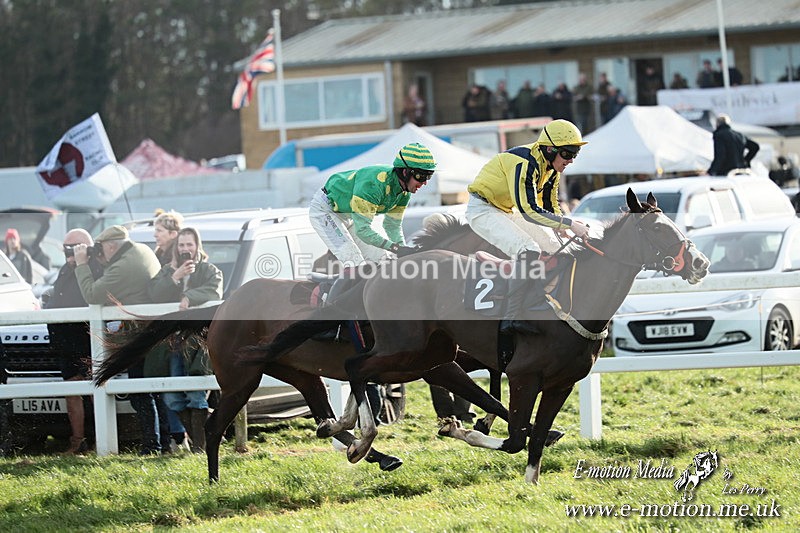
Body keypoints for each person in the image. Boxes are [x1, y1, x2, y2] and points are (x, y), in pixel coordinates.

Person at [465, 119, 590, 335]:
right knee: (529, 250)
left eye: (575, 154)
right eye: (568, 153)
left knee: (555, 247)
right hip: (482, 210)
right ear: (550, 149)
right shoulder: (525, 163)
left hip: (505, 210)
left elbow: (551, 204)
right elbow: (529, 211)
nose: (571, 160)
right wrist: (569, 223)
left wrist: (562, 226)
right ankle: (511, 318)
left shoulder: (551, 168)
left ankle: (544, 302)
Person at [73, 225, 163, 454]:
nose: (100, 253)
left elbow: (92, 295)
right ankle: (164, 441)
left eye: (102, 248)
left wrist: (82, 264)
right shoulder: (141, 250)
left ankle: (152, 445)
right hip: (151, 333)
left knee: (140, 393)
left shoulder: (123, 266)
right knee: (152, 390)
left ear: (111, 246)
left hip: (137, 336)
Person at [147, 227, 223, 452]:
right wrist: (174, 277)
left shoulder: (209, 270)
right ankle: (194, 440)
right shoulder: (167, 271)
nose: (185, 249)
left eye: (189, 244)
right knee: (172, 397)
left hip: (197, 342)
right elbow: (153, 294)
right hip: (170, 342)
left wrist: (189, 296)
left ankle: (201, 446)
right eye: (181, 245)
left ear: (197, 246)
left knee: (196, 394)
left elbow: (214, 291)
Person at [309, 142, 435, 269]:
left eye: (428, 177)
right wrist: (396, 248)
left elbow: (392, 225)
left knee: (383, 260)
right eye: (421, 176)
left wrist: (404, 251)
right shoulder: (373, 186)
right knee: (355, 263)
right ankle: (325, 289)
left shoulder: (404, 193)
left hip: (351, 215)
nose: (424, 182)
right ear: (405, 172)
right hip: (325, 211)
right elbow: (363, 231)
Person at [45, 229, 104, 455]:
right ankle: (77, 442)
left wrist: (81, 262)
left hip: (86, 340)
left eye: (74, 248)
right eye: (66, 248)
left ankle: (102, 439)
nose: (69, 253)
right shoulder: (64, 269)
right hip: (64, 342)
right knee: (71, 391)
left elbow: (92, 296)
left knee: (94, 392)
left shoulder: (94, 268)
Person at [149, 210, 187, 451]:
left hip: (177, 331)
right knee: (165, 383)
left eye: (159, 231)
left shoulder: (179, 258)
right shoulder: (158, 256)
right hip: (162, 330)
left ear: (173, 233)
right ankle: (174, 434)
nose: (155, 235)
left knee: (177, 384)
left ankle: (179, 434)